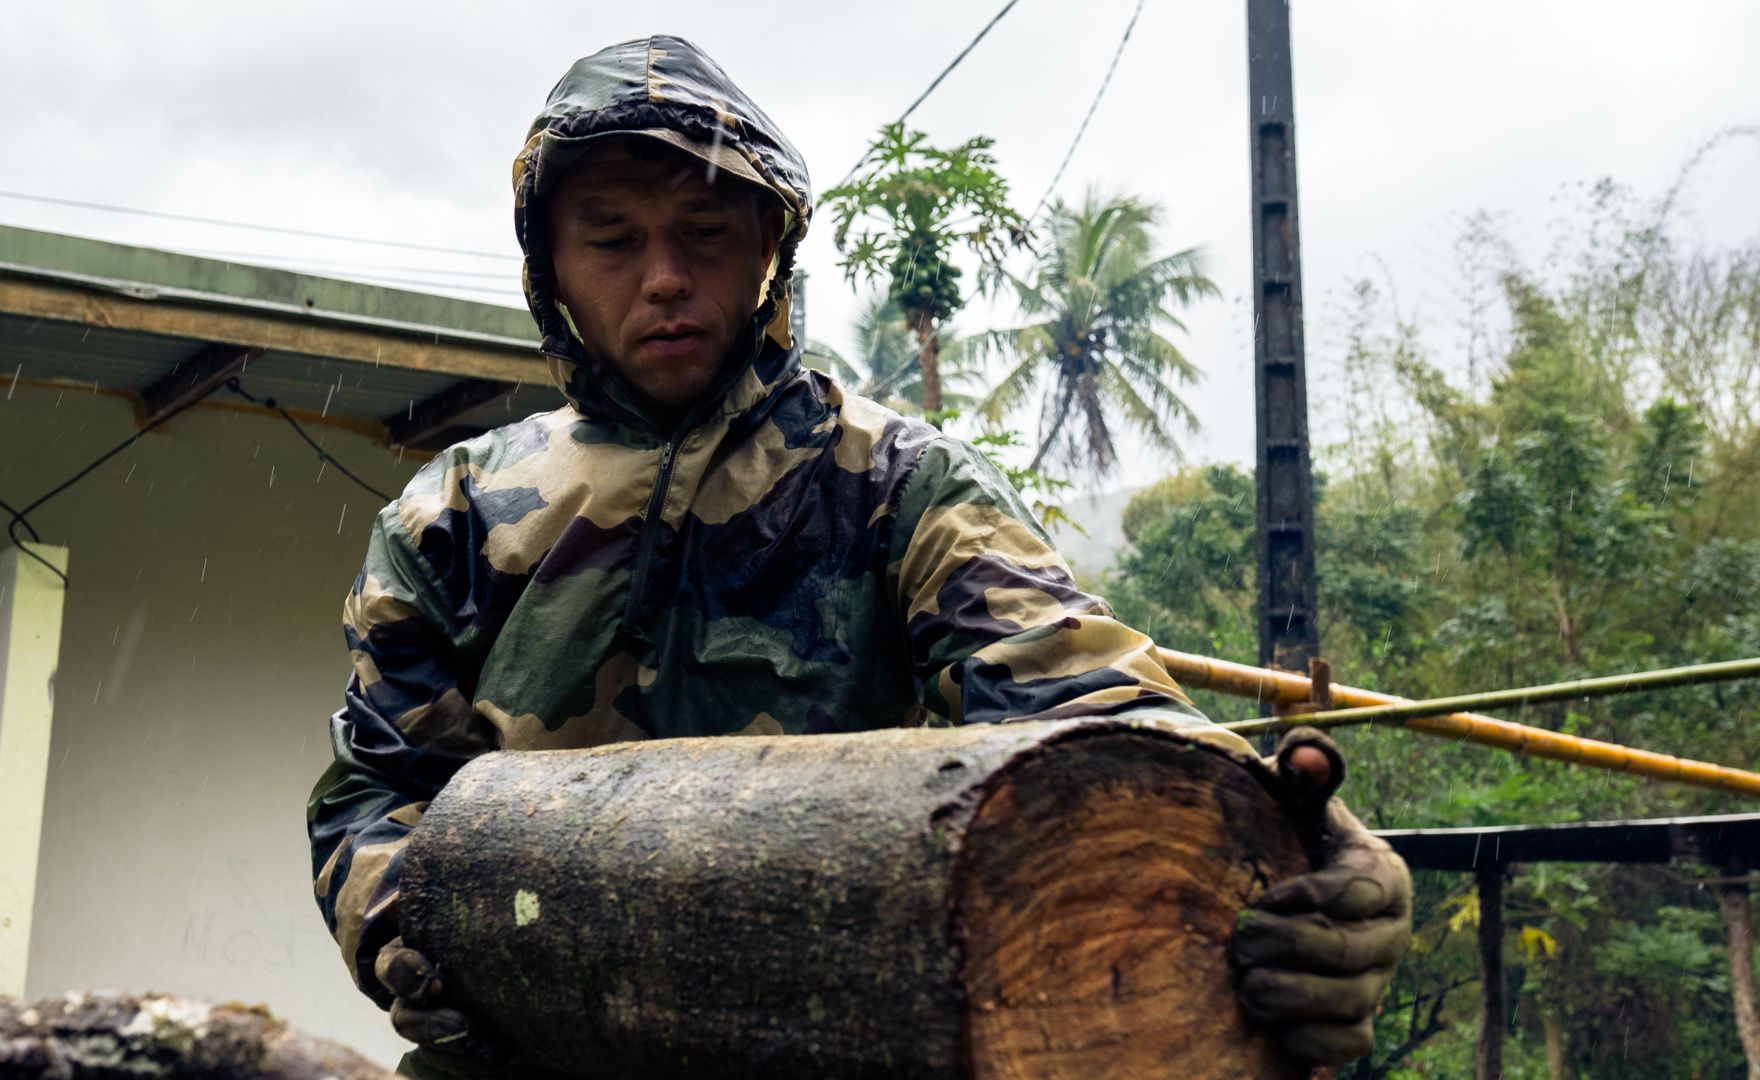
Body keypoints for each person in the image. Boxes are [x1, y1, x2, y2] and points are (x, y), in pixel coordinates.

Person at [309, 35, 1411, 1079]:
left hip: (843, 1046)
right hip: (522, 1062)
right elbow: (375, 786)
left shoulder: (896, 485)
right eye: (611, 237)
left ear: (766, 249)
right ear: (549, 264)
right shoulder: (453, 511)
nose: (662, 278)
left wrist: (1288, 837)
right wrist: (403, 929)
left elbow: (1082, 699)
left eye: (704, 232)